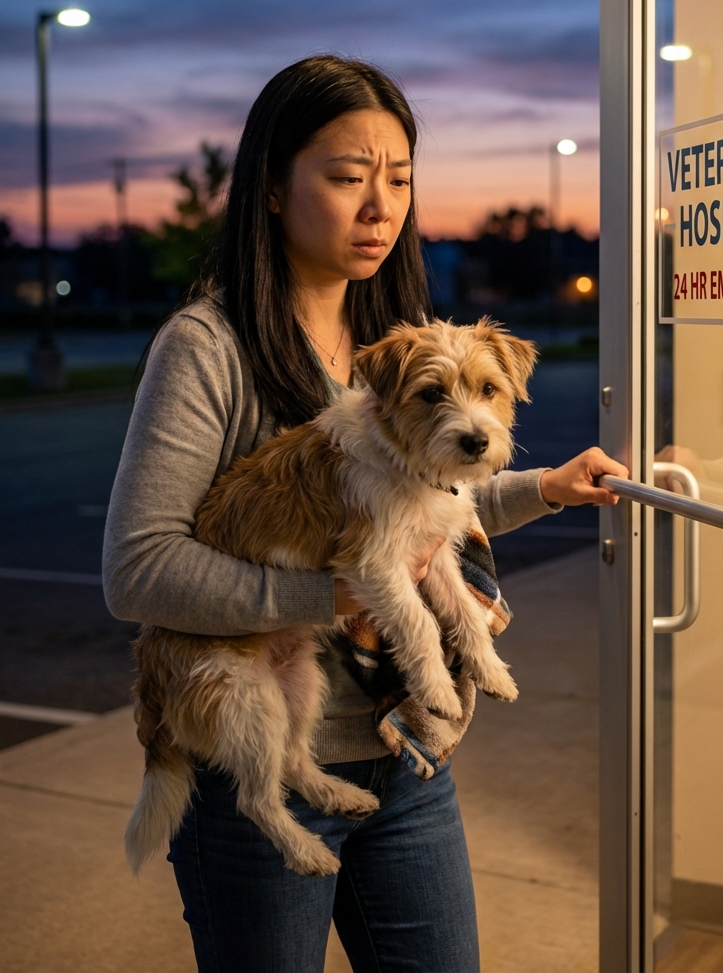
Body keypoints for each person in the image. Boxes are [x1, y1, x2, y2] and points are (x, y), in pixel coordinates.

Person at [103, 55, 626, 973]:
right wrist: (338, 597)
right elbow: (139, 570)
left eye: (400, 180)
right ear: (271, 186)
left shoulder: (402, 330)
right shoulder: (206, 347)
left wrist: (543, 488)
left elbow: (428, 515)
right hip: (259, 775)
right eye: (348, 179)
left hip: (410, 757)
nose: (380, 206)